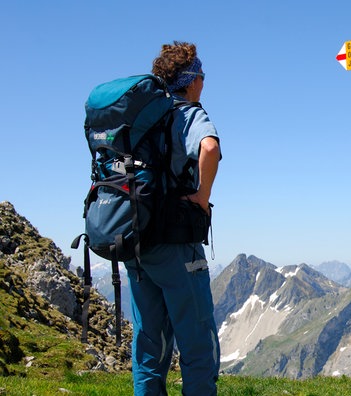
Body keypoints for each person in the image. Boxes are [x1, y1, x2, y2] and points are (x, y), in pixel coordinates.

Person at [124, 41, 221, 395]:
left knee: (150, 348)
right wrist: (202, 196)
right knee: (198, 347)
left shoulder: (140, 118)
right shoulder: (188, 113)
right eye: (202, 75)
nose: (203, 83)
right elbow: (209, 148)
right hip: (177, 244)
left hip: (136, 241)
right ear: (192, 79)